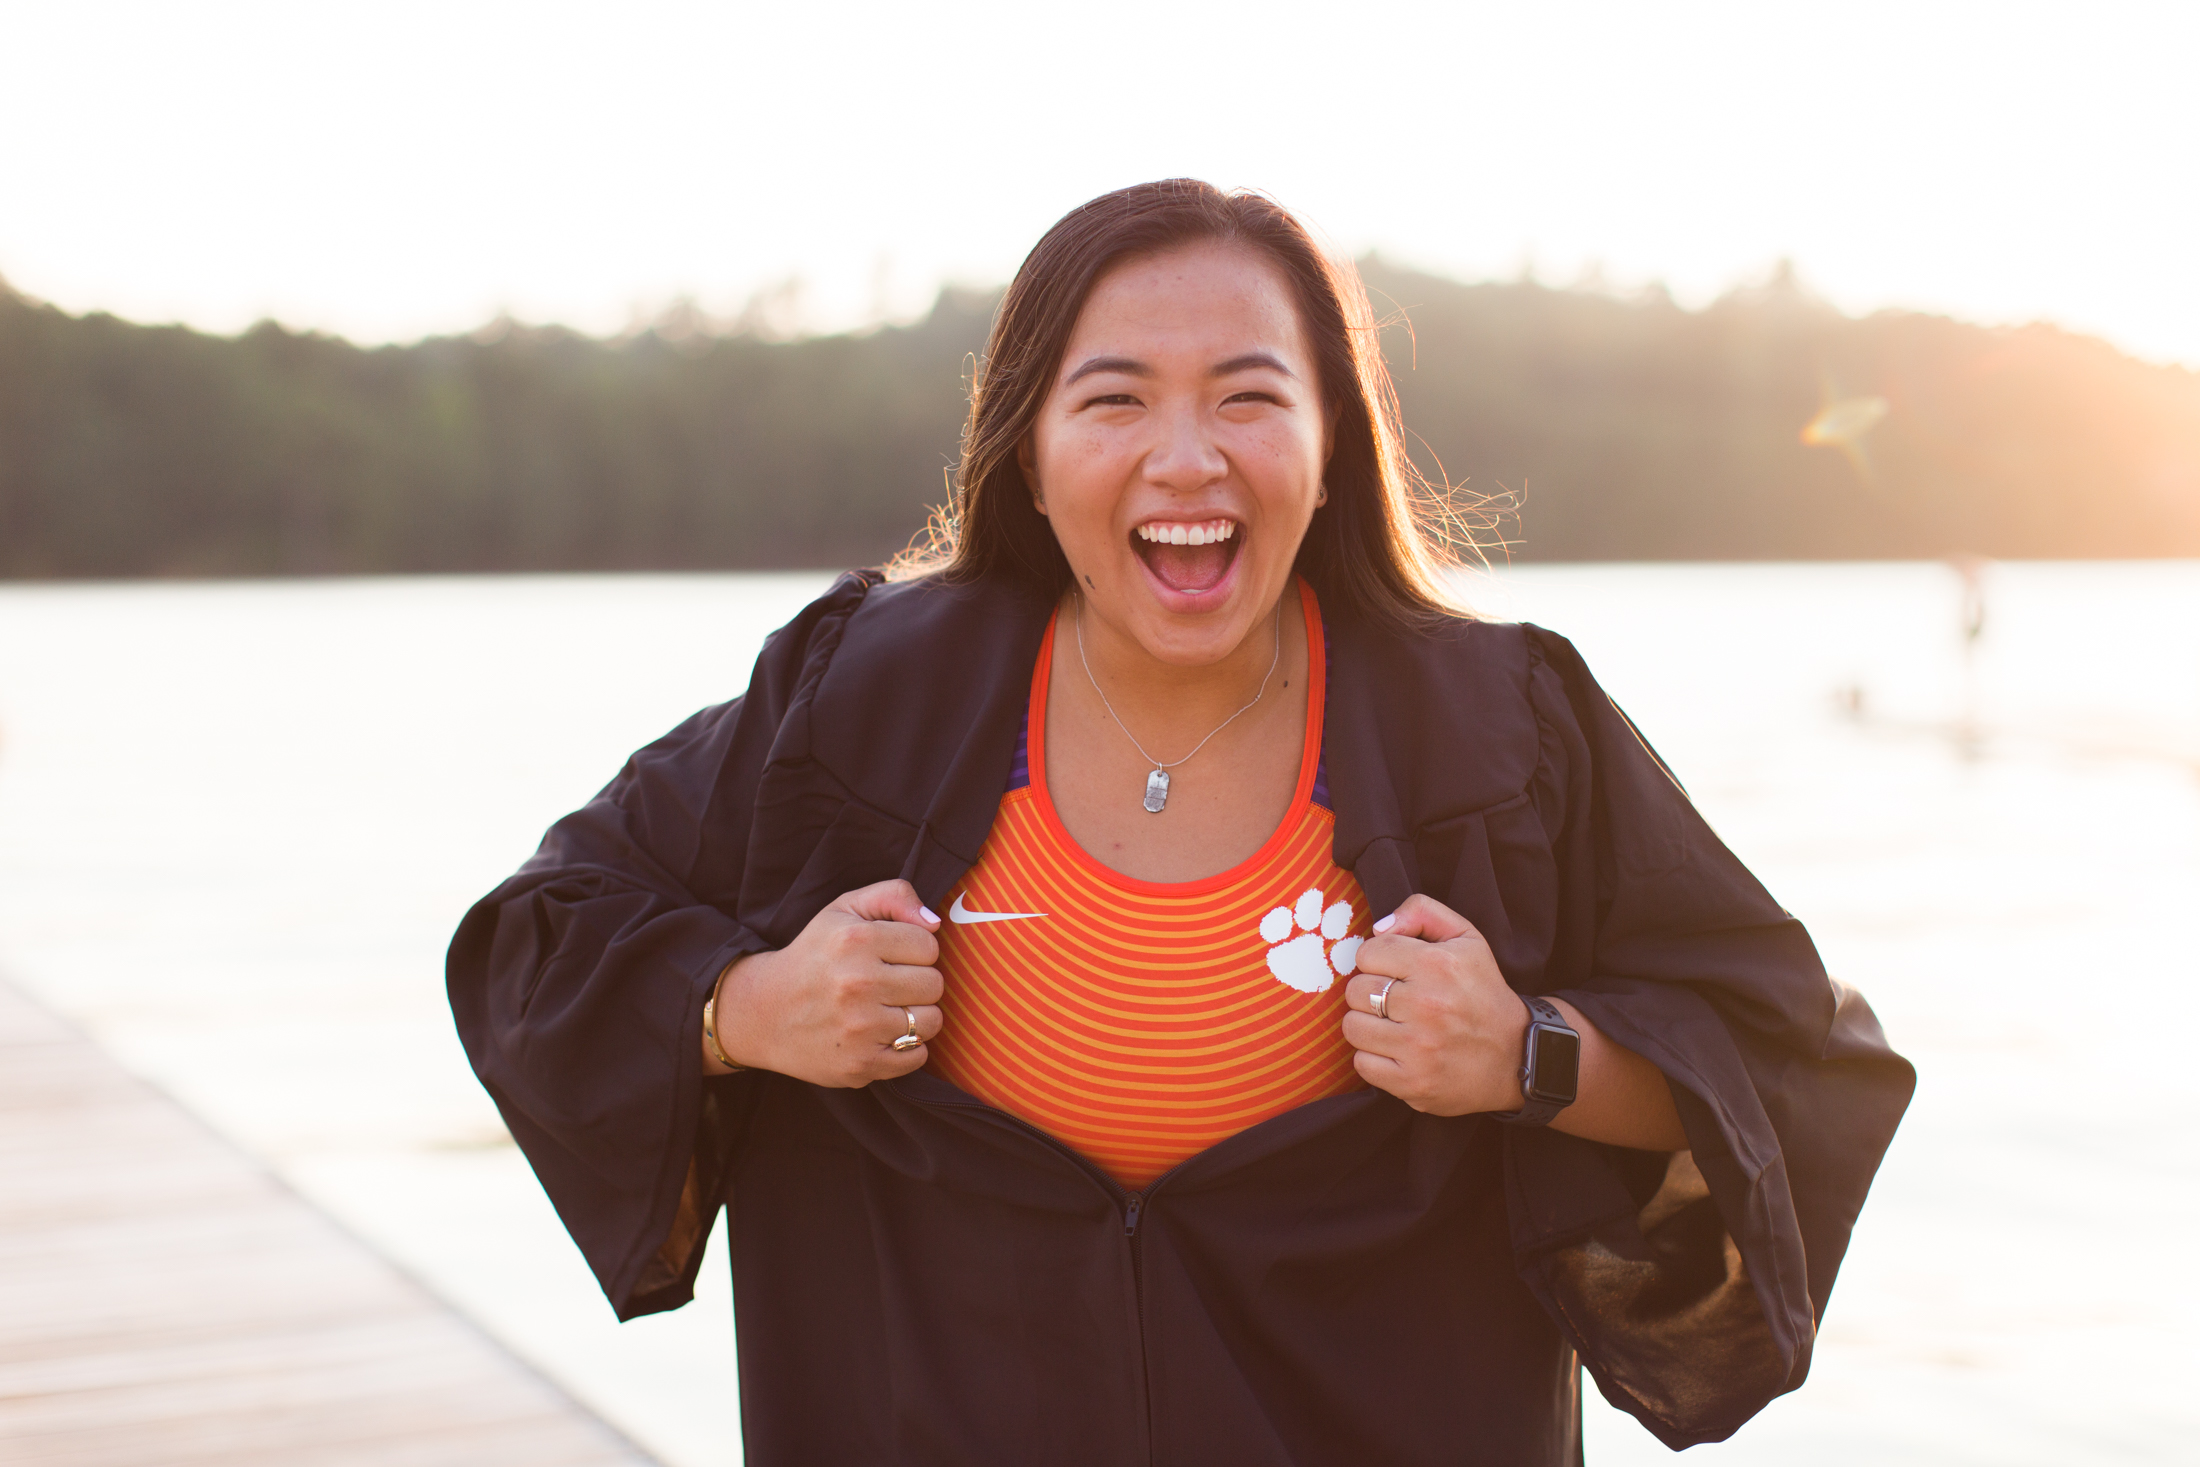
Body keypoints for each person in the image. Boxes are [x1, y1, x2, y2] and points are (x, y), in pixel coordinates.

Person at [448, 179, 1913, 1465]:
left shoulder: (1500, 731)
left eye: (1250, 394)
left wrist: (1525, 1055)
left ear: (1333, 439)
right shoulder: (861, 701)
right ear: (1030, 450)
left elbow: (1793, 1061)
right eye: (1116, 398)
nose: (1187, 457)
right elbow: (537, 937)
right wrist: (747, 1007)